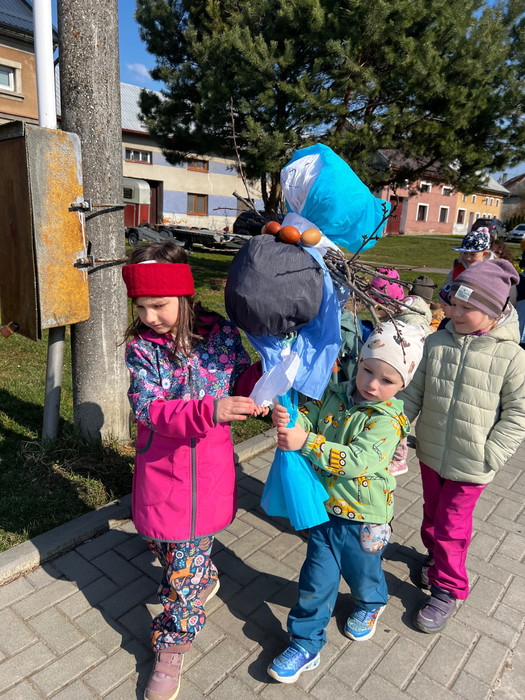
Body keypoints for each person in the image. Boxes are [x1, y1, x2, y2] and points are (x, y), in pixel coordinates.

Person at [122, 241, 265, 700]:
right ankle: (200, 575)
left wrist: (265, 379)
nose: (149, 317)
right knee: (164, 543)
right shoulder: (142, 349)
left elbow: (239, 378)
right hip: (163, 470)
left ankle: (173, 641)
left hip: (207, 472)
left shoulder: (219, 333)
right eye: (140, 307)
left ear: (183, 296)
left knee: (180, 570)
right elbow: (147, 407)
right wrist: (210, 410)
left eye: (158, 305)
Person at [266, 321, 425, 684]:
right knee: (315, 580)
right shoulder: (335, 394)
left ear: (403, 385)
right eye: (368, 370)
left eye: (387, 380)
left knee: (363, 574)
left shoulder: (388, 421)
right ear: (360, 361)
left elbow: (357, 461)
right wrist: (292, 418)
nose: (372, 384)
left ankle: (371, 602)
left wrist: (306, 442)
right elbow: (312, 419)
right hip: (325, 510)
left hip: (365, 518)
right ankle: (305, 643)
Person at [398, 259, 525, 634]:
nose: (454, 313)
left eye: (465, 307)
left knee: (452, 528)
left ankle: (447, 589)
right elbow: (414, 392)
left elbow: (518, 414)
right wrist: (394, 428)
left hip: (472, 465)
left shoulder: (512, 357)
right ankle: (434, 558)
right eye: (453, 304)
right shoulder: (437, 342)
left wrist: (492, 454)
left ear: (492, 311)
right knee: (432, 517)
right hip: (432, 453)